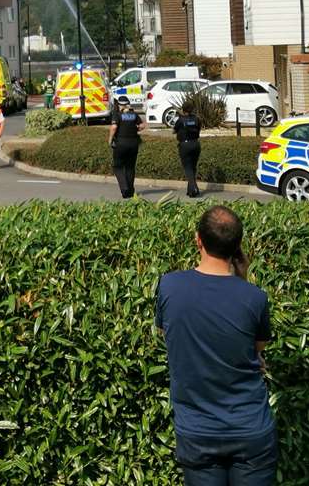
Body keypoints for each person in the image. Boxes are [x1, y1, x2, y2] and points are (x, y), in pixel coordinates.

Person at [155, 206, 276, 485]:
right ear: (238, 247)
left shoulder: (170, 286)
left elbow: (166, 332)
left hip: (198, 432)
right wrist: (242, 278)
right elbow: (256, 349)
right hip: (250, 429)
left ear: (198, 239)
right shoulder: (255, 298)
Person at [108, 95, 143, 199]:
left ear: (119, 105)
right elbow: (142, 125)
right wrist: (134, 129)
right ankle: (130, 191)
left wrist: (110, 140)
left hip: (121, 144)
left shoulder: (117, 115)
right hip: (134, 144)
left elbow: (114, 127)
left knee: (118, 167)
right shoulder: (134, 114)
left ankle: (124, 188)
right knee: (130, 167)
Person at [174, 104, 202, 199]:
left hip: (185, 145)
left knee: (187, 168)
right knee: (193, 167)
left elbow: (174, 130)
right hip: (196, 144)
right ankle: (190, 191)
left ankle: (194, 187)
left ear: (183, 109)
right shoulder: (196, 119)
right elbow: (199, 129)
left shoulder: (180, 120)